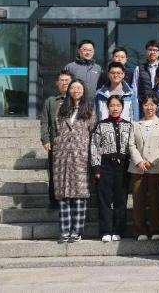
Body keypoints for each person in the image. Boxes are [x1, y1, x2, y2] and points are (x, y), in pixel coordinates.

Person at [51, 79, 95, 243]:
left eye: (79, 88)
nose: (76, 90)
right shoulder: (61, 108)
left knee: (79, 194)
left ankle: (77, 231)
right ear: (69, 90)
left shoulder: (89, 110)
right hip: (62, 156)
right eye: (73, 87)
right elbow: (56, 128)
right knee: (63, 194)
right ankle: (64, 231)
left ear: (83, 91)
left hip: (80, 156)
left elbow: (92, 130)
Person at [90, 95, 132, 243]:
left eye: (118, 105)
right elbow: (94, 146)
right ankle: (106, 230)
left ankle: (119, 230)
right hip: (106, 165)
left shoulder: (128, 125)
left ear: (122, 107)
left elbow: (132, 146)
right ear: (108, 107)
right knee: (105, 199)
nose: (115, 108)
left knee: (121, 199)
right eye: (112, 105)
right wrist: (96, 167)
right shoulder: (101, 125)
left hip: (123, 166)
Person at [129, 93, 159, 241]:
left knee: (156, 200)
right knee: (138, 200)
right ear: (142, 106)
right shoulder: (135, 124)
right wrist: (139, 161)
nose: (149, 107)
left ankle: (156, 229)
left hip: (156, 168)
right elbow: (131, 145)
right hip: (137, 168)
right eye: (146, 104)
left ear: (157, 107)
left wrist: (151, 162)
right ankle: (140, 230)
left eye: (152, 104)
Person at [40, 69, 73, 208]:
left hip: (73, 144)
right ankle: (54, 201)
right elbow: (44, 122)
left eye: (67, 81)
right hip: (56, 143)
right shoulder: (51, 101)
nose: (64, 83)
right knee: (54, 173)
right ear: (57, 83)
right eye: (62, 80)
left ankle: (71, 199)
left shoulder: (77, 101)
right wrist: (45, 139)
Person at [132, 40, 159, 107]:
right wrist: (135, 105)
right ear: (146, 51)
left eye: (155, 50)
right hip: (144, 104)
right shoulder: (139, 68)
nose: (152, 52)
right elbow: (135, 88)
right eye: (150, 50)